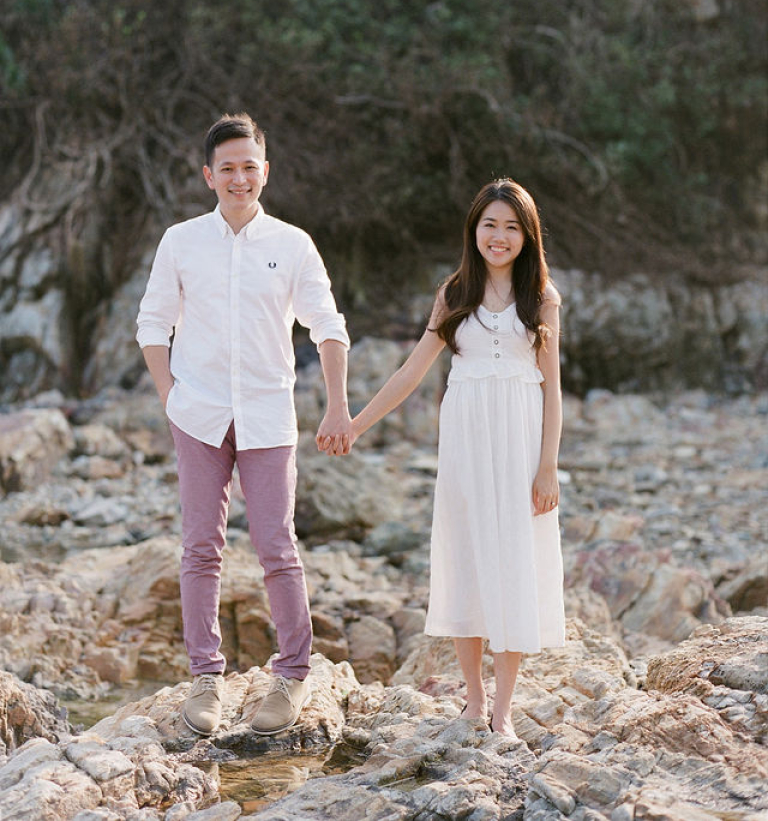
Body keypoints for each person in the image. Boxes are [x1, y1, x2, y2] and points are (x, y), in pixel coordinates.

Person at [136, 112, 351, 737]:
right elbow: (153, 324)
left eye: (248, 167)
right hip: (197, 415)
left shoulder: (293, 244)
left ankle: (292, 676)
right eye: (226, 168)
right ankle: (206, 677)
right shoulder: (180, 241)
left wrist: (337, 405)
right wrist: (171, 397)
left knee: (277, 546)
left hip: (268, 415)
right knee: (200, 546)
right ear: (209, 175)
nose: (239, 178)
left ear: (265, 171)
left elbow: (327, 326)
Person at [348, 179, 565, 737]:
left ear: (528, 235)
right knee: (467, 557)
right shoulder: (454, 294)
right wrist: (356, 424)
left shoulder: (541, 297)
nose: (499, 236)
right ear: (474, 230)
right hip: (466, 443)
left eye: (512, 227)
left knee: (514, 561)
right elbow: (411, 372)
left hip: (520, 445)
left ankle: (503, 711)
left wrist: (548, 466)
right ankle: (473, 701)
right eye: (490, 224)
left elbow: (553, 389)